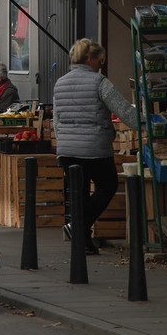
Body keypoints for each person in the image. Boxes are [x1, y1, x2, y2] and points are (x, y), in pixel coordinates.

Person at [53, 39, 138, 255]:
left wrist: (63, 141)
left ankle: (82, 240)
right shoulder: (99, 82)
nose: (101, 65)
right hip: (95, 149)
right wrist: (149, 123)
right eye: (99, 61)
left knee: (79, 194)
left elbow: (57, 120)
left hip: (67, 150)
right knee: (107, 185)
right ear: (89, 60)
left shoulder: (60, 83)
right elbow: (124, 110)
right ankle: (79, 227)